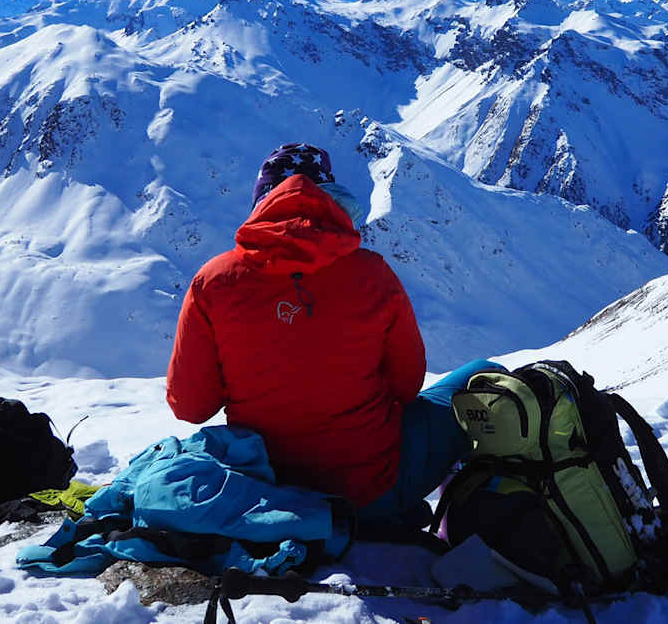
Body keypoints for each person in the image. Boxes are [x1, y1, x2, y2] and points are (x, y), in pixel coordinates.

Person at [166, 142, 502, 537]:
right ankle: (461, 529)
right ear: (332, 200)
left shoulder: (213, 281)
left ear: (261, 201)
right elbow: (407, 385)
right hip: (371, 494)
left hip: (269, 499)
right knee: (486, 377)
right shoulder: (373, 274)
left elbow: (191, 406)